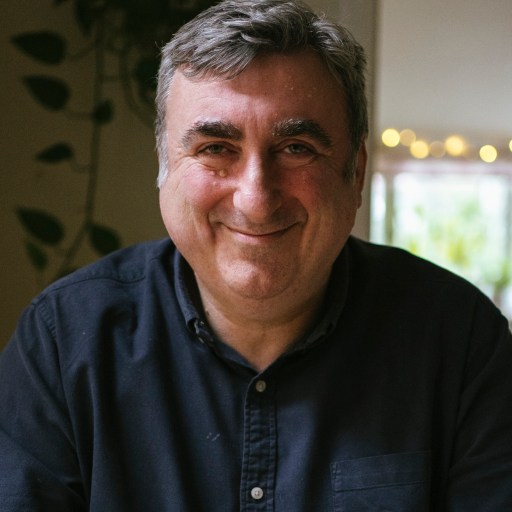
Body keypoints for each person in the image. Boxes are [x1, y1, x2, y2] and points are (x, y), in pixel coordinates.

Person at [1, 0, 511, 510]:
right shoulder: (63, 341)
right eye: (215, 148)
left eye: (296, 148)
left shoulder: (462, 343)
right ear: (164, 168)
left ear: (355, 172)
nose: (256, 198)